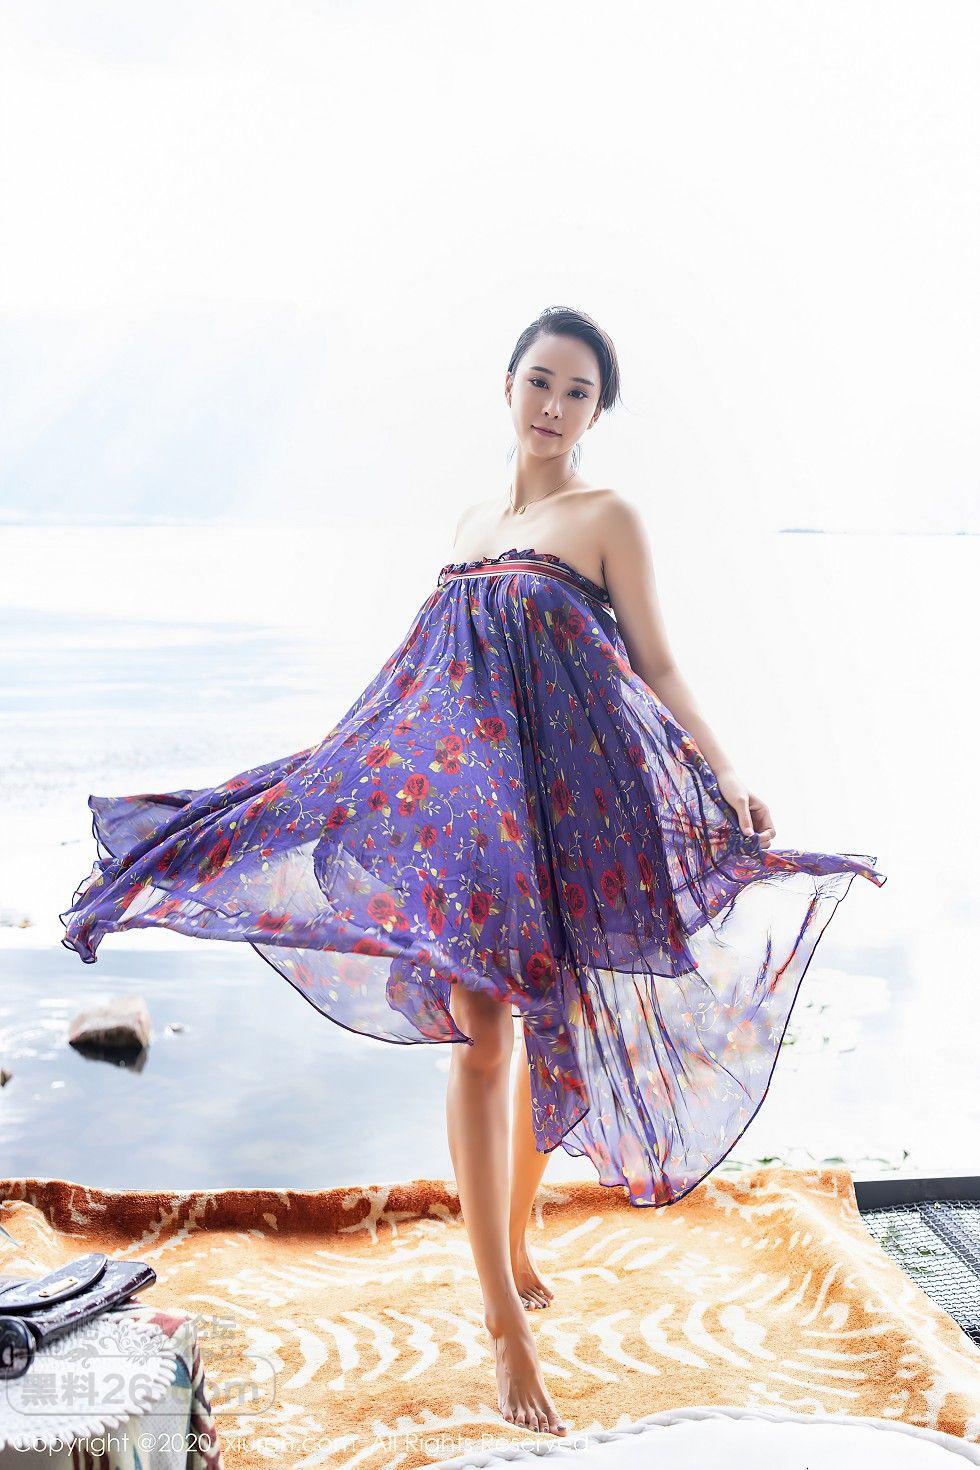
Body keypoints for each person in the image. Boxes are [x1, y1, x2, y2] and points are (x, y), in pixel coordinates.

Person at [60, 304, 886, 1436]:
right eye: (540, 381)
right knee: (484, 1029)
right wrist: (342, 775)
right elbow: (426, 682)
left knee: (552, 1019)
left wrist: (725, 772)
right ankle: (502, 1317)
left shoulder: (606, 518)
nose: (554, 406)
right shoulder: (467, 525)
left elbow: (656, 666)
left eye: (578, 392)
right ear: (507, 386)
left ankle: (516, 1235)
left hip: (566, 810)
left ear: (597, 412)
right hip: (465, 825)